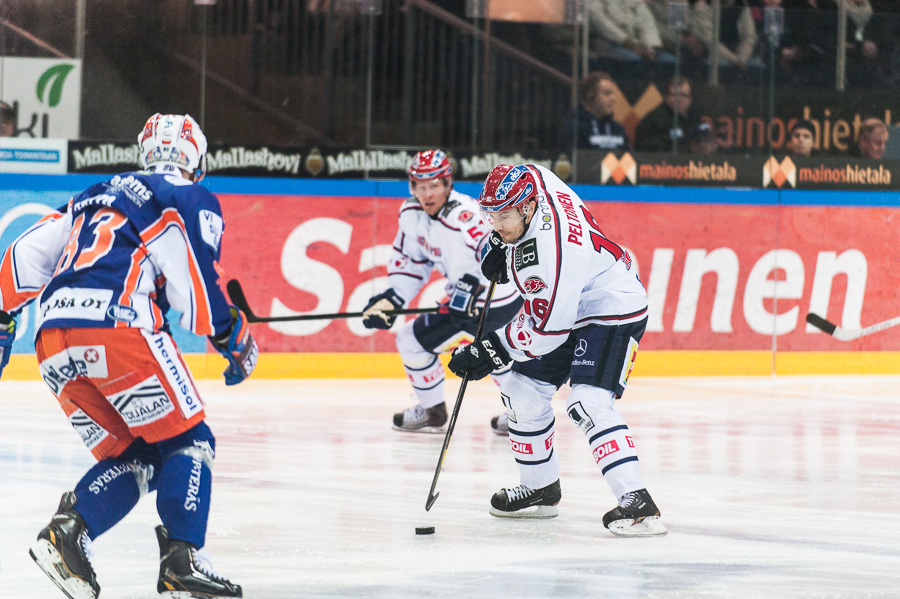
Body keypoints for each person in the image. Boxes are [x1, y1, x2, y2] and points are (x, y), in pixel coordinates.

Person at [0, 113, 257, 599]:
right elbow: (194, 277)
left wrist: (1, 319)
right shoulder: (185, 194)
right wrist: (230, 332)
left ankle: (68, 533)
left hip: (53, 343)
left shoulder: (92, 194)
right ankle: (182, 562)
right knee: (190, 441)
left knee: (142, 454)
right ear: (197, 160)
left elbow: (23, 257)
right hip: (119, 329)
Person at [448, 163, 667, 537]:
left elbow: (547, 331)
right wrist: (499, 242)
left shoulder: (550, 254)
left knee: (587, 402)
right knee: (520, 392)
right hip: (571, 299)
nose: (496, 223)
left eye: (504, 216)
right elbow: (531, 169)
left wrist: (490, 348)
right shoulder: (535, 185)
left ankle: (639, 504)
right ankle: (540, 489)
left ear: (528, 208)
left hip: (610, 304)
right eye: (491, 215)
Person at [361, 149, 522, 434]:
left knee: (496, 355)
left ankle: (524, 413)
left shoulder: (468, 215)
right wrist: (392, 298)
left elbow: (500, 255)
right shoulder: (411, 216)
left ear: (448, 184)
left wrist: (473, 287)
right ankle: (434, 411)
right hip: (462, 302)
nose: (427, 193)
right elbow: (411, 264)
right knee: (410, 340)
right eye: (420, 186)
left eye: (434, 185)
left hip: (498, 301)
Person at [558, 71, 632, 154]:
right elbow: (576, 162)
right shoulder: (574, 128)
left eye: (612, 94)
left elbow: (631, 160)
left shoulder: (617, 129)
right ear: (591, 96)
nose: (613, 98)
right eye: (607, 94)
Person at [634, 76, 699, 152]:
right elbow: (645, 146)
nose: (679, 99)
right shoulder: (653, 120)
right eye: (675, 95)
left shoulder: (694, 117)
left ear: (690, 99)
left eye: (683, 95)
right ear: (666, 97)